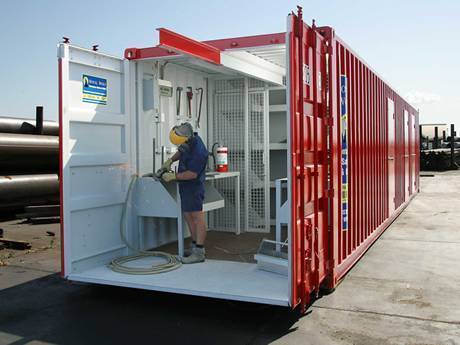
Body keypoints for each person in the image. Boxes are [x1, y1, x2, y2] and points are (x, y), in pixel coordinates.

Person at [161, 122, 208, 264]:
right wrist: (170, 160)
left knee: (197, 217)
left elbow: (193, 174)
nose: (179, 146)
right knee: (188, 216)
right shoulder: (189, 139)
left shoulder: (200, 151)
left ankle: (199, 252)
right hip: (185, 187)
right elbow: (182, 151)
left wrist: (174, 176)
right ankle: (194, 246)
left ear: (186, 138)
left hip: (194, 187)